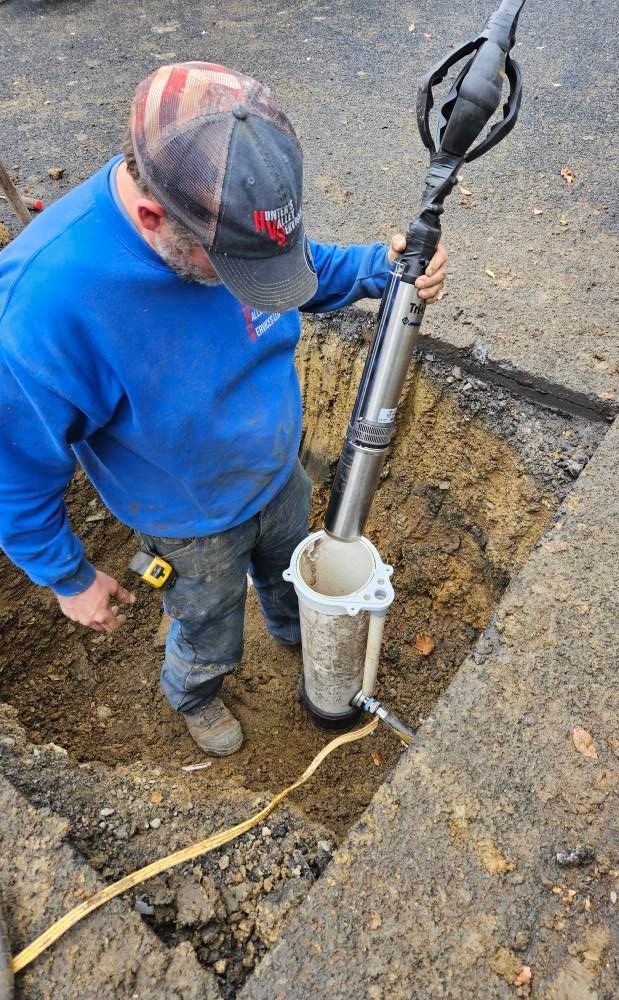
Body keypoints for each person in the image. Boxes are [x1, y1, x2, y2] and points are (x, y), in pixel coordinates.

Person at [0, 62, 447, 756]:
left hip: (276, 471)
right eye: (238, 272)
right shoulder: (44, 307)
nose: (259, 287)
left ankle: (300, 632)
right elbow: (15, 471)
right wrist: (68, 577)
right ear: (153, 220)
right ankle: (195, 690)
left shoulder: (223, 206)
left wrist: (377, 269)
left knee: (290, 575)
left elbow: (298, 269)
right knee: (207, 624)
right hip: (189, 522)